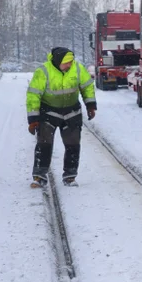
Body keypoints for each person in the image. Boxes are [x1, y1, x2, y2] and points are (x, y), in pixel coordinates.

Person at [26, 47, 97, 187]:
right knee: (44, 144)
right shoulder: (43, 71)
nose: (69, 65)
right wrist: (33, 119)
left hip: (72, 113)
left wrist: (90, 105)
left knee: (73, 145)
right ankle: (39, 176)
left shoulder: (77, 69)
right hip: (48, 112)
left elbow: (87, 87)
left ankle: (70, 176)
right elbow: (33, 95)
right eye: (66, 62)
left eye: (71, 62)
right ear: (58, 62)